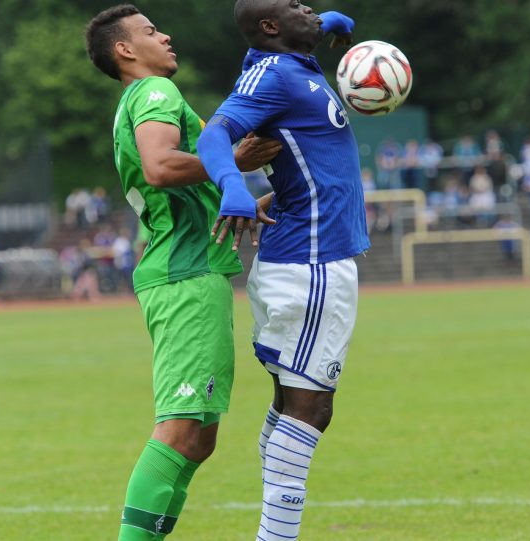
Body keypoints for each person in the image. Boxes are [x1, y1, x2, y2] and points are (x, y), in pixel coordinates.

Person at [84, 5, 282, 540]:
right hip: (184, 275)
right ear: (125, 50)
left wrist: (232, 195)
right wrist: (234, 163)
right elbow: (160, 166)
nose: (165, 35)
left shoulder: (142, 99)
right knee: (179, 430)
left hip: (189, 272)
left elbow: (176, 178)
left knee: (199, 437)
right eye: (150, 32)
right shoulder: (154, 94)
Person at [195, 3, 368, 539]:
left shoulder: (291, 64)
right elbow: (212, 136)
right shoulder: (272, 76)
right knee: (310, 409)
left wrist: (329, 26)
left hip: (302, 259)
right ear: (270, 27)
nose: (308, 8)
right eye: (295, 5)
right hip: (311, 263)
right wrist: (232, 187)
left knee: (292, 402)